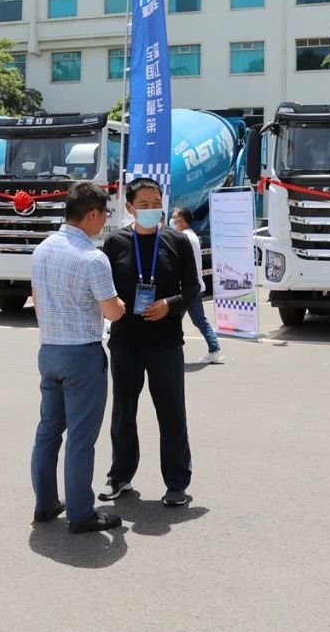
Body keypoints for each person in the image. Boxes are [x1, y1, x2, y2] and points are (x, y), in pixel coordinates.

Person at [29, 181, 126, 534]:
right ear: (93, 213)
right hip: (82, 354)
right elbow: (112, 311)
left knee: (48, 431)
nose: (105, 221)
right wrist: (122, 305)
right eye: (105, 213)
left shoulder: (42, 249)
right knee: (81, 439)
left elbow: (36, 298)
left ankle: (45, 503)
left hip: (49, 349)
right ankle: (82, 513)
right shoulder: (92, 258)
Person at [98, 178, 201, 507]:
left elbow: (193, 287)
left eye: (156, 203)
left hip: (165, 342)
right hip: (125, 342)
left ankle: (177, 482)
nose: (151, 209)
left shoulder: (177, 241)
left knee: (171, 413)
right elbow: (103, 287)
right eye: (143, 204)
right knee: (123, 412)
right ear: (129, 207)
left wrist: (171, 304)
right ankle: (120, 476)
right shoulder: (115, 243)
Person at [170, 205, 223, 364]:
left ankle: (170, 353)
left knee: (172, 321)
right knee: (199, 320)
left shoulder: (183, 238)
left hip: (186, 288)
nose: (171, 221)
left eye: (174, 218)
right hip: (195, 287)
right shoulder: (191, 235)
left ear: (181, 220)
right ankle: (215, 350)